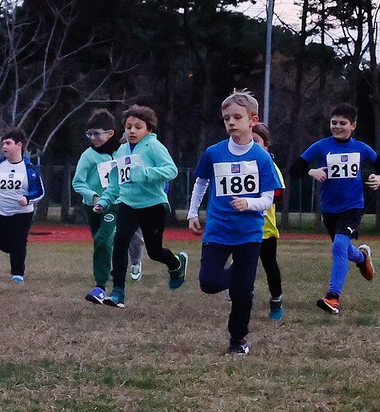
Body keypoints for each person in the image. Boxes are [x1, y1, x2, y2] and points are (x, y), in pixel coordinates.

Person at [185, 91, 280, 355]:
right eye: (227, 118)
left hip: (249, 234)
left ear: (252, 120)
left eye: (237, 117)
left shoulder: (262, 158)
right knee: (209, 283)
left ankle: (237, 340)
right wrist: (193, 213)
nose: (231, 122)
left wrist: (248, 204)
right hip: (217, 231)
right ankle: (238, 273)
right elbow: (201, 183)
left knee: (242, 293)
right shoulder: (214, 153)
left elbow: (269, 198)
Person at [298, 102, 380, 315]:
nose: (337, 126)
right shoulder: (321, 146)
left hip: (353, 207)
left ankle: (333, 297)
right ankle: (362, 258)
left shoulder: (361, 148)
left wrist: (378, 176)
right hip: (329, 209)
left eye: (342, 123)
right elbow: (295, 168)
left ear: (353, 125)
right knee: (343, 249)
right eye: (334, 122)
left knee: (338, 247)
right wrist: (313, 172)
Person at [104, 104, 187, 308]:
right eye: (129, 126)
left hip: (153, 205)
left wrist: (146, 173)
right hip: (127, 203)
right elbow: (115, 180)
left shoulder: (154, 147)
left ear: (149, 129)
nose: (132, 131)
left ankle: (176, 263)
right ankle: (118, 292)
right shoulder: (121, 150)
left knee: (154, 251)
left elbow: (171, 170)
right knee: (120, 241)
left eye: (138, 127)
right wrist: (106, 199)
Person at [72, 111, 123, 304]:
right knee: (100, 241)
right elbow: (78, 183)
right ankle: (111, 264)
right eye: (89, 134)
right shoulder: (88, 156)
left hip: (114, 205)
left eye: (96, 134)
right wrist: (93, 197)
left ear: (110, 133)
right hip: (92, 207)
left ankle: (100, 287)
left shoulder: (123, 152)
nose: (92, 138)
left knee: (102, 239)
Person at [0, 129, 45, 283]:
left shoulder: (30, 169)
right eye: (3, 143)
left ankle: (17, 273)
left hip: (22, 213)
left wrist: (27, 198)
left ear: (19, 145)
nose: (4, 146)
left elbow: (40, 191)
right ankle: (16, 251)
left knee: (19, 241)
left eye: (8, 143)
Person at [252, 123, 287, 321]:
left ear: (266, 145)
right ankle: (240, 294)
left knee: (269, 265)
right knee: (242, 263)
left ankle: (276, 299)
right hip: (243, 228)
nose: (253, 145)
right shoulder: (239, 164)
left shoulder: (270, 167)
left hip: (266, 229)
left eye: (257, 141)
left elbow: (278, 195)